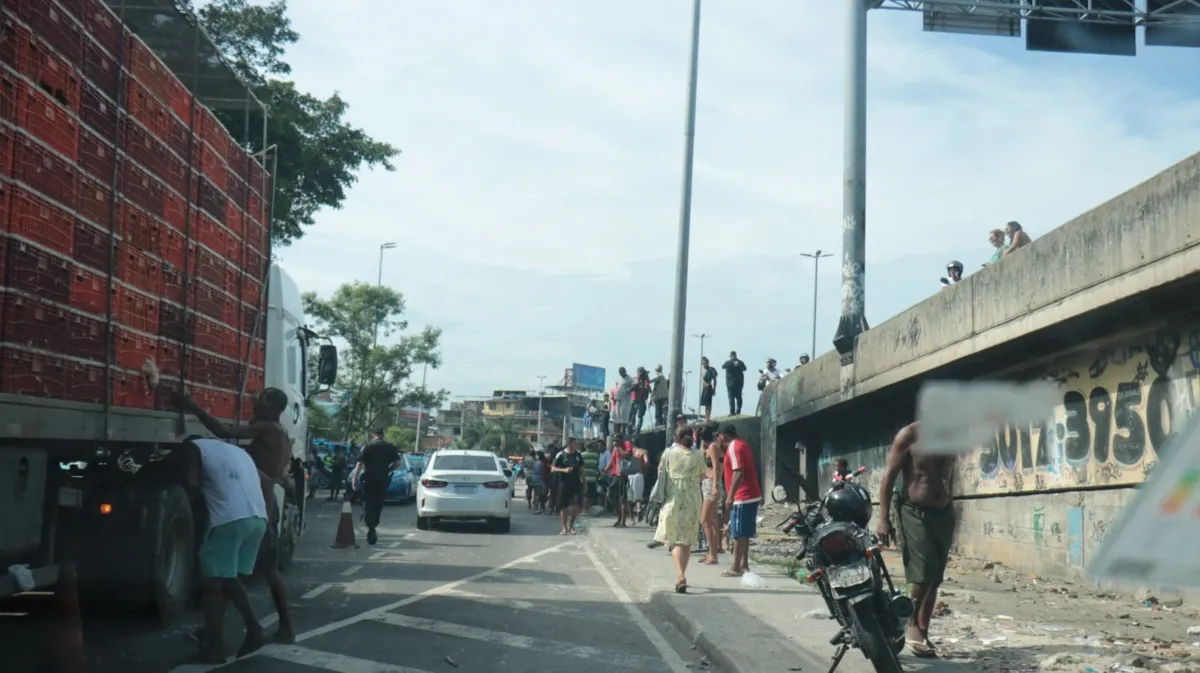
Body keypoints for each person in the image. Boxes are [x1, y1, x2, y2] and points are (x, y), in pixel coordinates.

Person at [877, 422, 956, 659]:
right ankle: (910, 623)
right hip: (913, 511)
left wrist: (950, 506)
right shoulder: (909, 435)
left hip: (943, 513)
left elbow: (950, 475)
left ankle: (923, 630)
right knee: (923, 572)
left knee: (935, 577)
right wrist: (883, 519)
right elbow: (889, 477)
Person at [190, 438, 271, 663]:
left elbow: (192, 483)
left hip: (228, 521)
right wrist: (270, 521)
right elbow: (267, 483)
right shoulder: (238, 452)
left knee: (213, 586)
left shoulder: (193, 448)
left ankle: (217, 648)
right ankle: (253, 629)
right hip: (257, 519)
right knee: (230, 580)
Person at [653, 426, 706, 593]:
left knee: (675, 540)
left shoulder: (668, 453)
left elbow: (661, 472)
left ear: (676, 438)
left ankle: (680, 575)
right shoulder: (698, 455)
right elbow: (703, 475)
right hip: (692, 501)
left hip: (673, 499)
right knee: (687, 540)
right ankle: (682, 574)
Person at [720, 423, 761, 578]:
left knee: (738, 533)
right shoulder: (743, 444)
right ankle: (744, 564)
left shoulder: (733, 447)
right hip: (751, 494)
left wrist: (730, 495)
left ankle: (736, 567)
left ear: (723, 435)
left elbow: (738, 472)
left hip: (742, 496)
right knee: (745, 532)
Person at [354, 429, 401, 545]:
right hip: (382, 480)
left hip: (368, 479)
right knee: (378, 503)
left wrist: (354, 479)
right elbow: (397, 464)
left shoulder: (368, 446)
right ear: (382, 435)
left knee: (368, 503)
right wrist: (387, 470)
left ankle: (371, 528)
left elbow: (360, 463)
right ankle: (373, 525)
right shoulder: (389, 446)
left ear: (373, 435)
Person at [700, 425, 727, 566]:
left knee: (705, 520)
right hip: (708, 483)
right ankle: (712, 551)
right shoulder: (710, 447)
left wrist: (716, 486)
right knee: (712, 521)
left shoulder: (713, 447)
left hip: (712, 484)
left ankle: (713, 555)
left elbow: (716, 466)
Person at [551, 438, 586, 535]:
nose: (576, 445)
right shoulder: (561, 455)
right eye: (575, 443)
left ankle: (571, 525)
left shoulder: (578, 455)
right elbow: (553, 468)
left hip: (576, 483)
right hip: (564, 483)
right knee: (563, 506)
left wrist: (585, 482)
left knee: (577, 505)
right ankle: (564, 527)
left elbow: (581, 469)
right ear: (569, 444)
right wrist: (564, 470)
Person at [722, 351, 747, 416]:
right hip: (739, 383)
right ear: (736, 355)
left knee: (731, 398)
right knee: (739, 397)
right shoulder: (740, 362)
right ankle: (738, 411)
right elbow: (744, 369)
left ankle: (732, 412)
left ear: (730, 356)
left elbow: (723, 367)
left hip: (730, 383)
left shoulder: (728, 362)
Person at [629, 366, 651, 434]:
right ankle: (635, 429)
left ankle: (633, 429)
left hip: (637, 399)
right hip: (638, 399)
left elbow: (648, 389)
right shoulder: (643, 380)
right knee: (637, 415)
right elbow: (648, 389)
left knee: (634, 415)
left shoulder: (637, 379)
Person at [581, 441, 601, 512]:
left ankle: (584, 509)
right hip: (593, 478)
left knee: (584, 494)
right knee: (590, 495)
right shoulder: (596, 455)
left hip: (584, 478)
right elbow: (597, 465)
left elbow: (580, 466)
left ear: (585, 447)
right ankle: (588, 509)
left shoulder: (582, 455)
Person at [613, 368, 633, 437]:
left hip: (625, 401)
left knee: (624, 417)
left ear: (624, 371)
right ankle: (617, 432)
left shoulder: (629, 379)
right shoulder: (619, 380)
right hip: (618, 401)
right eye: (620, 372)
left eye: (622, 372)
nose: (621, 374)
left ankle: (623, 432)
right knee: (618, 417)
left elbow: (634, 386)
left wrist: (629, 390)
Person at [699, 357, 717, 423]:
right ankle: (706, 417)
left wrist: (714, 389)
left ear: (708, 362)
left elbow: (715, 379)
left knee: (708, 403)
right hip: (704, 387)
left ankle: (708, 417)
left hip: (709, 386)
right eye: (703, 363)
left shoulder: (711, 369)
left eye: (705, 362)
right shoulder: (701, 369)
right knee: (705, 403)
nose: (704, 364)